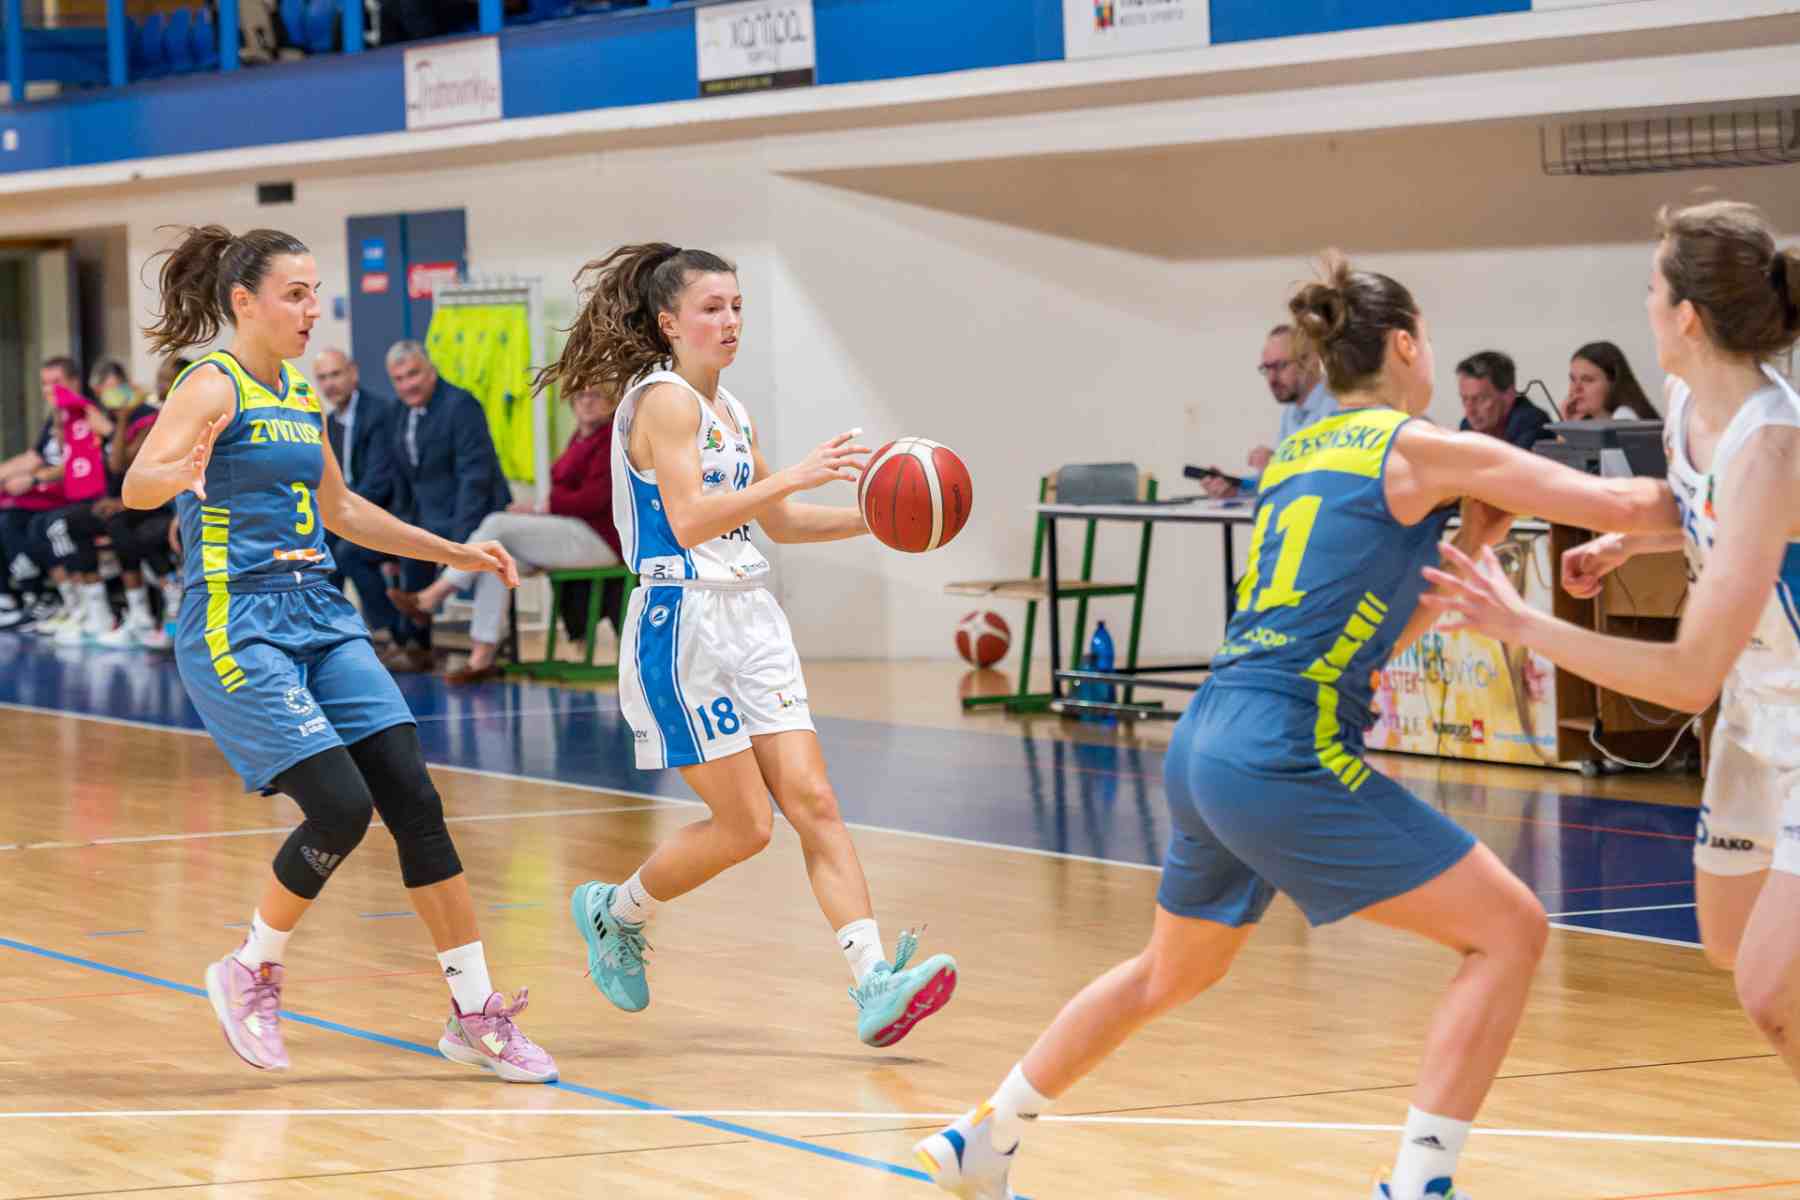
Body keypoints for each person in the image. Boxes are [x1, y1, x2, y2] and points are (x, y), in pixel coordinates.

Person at [915, 251, 1678, 1200]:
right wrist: (1741, 483)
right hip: (1281, 748)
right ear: (1406, 345)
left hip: (1208, 737)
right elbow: (1624, 500)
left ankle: (984, 1134)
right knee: (1510, 931)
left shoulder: (1300, 453)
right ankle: (1419, 1186)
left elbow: (1372, 639)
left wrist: (1475, 543)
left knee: (1168, 972)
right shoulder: (1421, 447)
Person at [123, 224, 556, 1084]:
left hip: (321, 613)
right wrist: (180, 471)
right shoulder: (209, 384)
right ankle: (250, 967)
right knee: (340, 807)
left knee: (414, 798)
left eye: (316, 292)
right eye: (296, 294)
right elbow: (138, 485)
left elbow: (344, 510)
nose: (313, 309)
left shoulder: (296, 390)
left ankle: (474, 1013)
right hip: (237, 621)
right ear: (244, 302)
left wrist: (458, 553)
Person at [537, 243, 957, 1048]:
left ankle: (874, 981)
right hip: (681, 622)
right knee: (747, 827)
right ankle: (617, 911)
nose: (730, 321)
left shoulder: (730, 407)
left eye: (737, 307)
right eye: (712, 308)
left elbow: (781, 523)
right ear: (670, 322)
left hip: (750, 616)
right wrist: (795, 474)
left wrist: (884, 521)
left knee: (815, 802)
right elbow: (691, 519)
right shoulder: (662, 403)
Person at [1422, 200, 1800, 1083]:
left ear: (1688, 317)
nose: (1645, 306)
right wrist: (1631, 540)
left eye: (1651, 290)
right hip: (1759, 714)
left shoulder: (1774, 445)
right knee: (1728, 938)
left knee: (1771, 988)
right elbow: (1701, 506)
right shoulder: (1687, 402)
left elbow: (1688, 676)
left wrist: (1523, 623)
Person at [389, 386, 624, 686]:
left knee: (496, 523)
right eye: (580, 397)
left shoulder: (611, 440)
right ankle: (481, 658)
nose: (587, 402)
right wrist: (542, 510)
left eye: (596, 396)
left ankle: (433, 596)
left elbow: (595, 499)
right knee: (495, 560)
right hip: (572, 534)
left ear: (611, 402)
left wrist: (540, 508)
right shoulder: (579, 438)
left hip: (600, 540)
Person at [379, 340, 512, 673]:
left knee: (424, 542)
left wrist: (457, 539)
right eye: (399, 379)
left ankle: (424, 625)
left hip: (474, 512)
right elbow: (403, 478)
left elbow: (475, 478)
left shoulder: (460, 405)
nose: (407, 385)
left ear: (431, 371)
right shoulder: (398, 412)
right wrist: (399, 529)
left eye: (413, 374)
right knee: (405, 544)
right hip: (429, 514)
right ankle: (415, 646)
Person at [313, 348, 401, 639]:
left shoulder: (379, 413)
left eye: (335, 374)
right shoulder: (329, 423)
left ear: (353, 373)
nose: (330, 384)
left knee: (348, 552)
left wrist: (344, 512)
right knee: (317, 548)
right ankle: (328, 628)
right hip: (349, 511)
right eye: (323, 378)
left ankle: (389, 630)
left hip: (385, 511)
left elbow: (380, 480)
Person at [1198, 323, 1336, 498]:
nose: (1271, 379)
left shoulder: (1340, 406)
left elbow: (1334, 481)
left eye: (1280, 366)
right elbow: (1276, 483)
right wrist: (1236, 488)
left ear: (1310, 362)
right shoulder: (1291, 412)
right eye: (1266, 368)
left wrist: (1279, 465)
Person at [1456, 350, 1553, 450]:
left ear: (1508, 395)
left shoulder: (1531, 422)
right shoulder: (1467, 425)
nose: (1470, 411)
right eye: (1464, 399)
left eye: (1480, 399)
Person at [1562, 340, 1658, 421]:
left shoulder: (1624, 417)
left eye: (1588, 380)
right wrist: (1569, 423)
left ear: (1613, 383)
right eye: (1573, 379)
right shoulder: (1593, 420)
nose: (1576, 388)